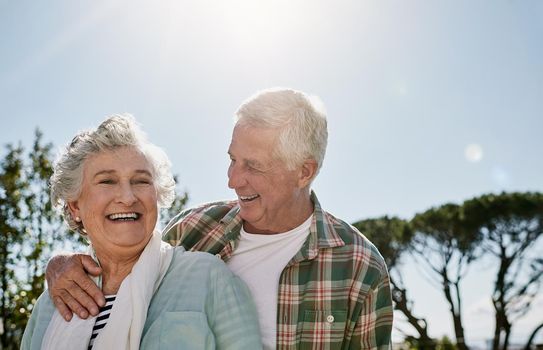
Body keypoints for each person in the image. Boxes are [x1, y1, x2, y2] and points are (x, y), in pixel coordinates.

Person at [46, 89, 393, 349]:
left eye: (253, 166)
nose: (233, 179)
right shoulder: (193, 230)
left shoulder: (359, 267)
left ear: (304, 172)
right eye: (233, 159)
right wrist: (60, 264)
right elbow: (124, 265)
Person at [22, 115, 261, 349]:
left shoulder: (209, 277)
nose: (127, 197)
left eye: (141, 181)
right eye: (107, 181)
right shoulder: (50, 304)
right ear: (75, 206)